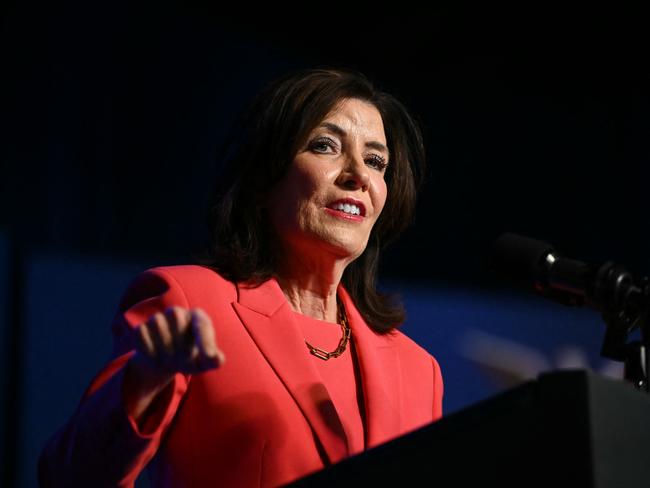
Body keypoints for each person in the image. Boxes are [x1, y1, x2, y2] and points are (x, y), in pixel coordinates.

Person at [38, 68, 444, 487]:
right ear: (265, 179)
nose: (358, 175)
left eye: (376, 161)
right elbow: (69, 477)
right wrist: (141, 385)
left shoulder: (418, 370)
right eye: (326, 146)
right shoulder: (191, 303)